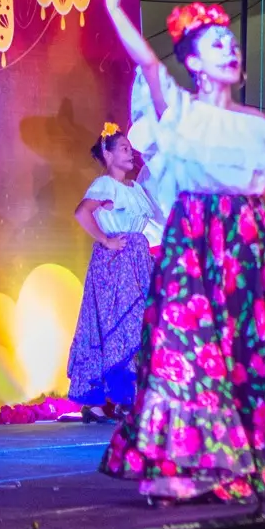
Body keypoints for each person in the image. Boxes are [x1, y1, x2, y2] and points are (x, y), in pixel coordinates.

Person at [96, 0, 265, 504]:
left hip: (249, 243)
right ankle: (186, 463)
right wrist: (114, 6)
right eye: (217, 46)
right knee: (187, 349)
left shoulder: (259, 124)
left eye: (232, 43)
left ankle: (252, 458)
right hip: (193, 242)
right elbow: (145, 61)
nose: (231, 51)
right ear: (192, 62)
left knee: (249, 348)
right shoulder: (180, 112)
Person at [67, 122, 164, 422]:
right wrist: (106, 240)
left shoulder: (134, 188)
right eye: (123, 148)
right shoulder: (105, 185)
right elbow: (82, 212)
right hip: (114, 265)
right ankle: (98, 401)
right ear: (108, 156)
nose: (130, 153)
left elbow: (149, 226)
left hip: (136, 260)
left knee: (135, 328)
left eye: (130, 148)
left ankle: (126, 398)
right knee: (113, 326)